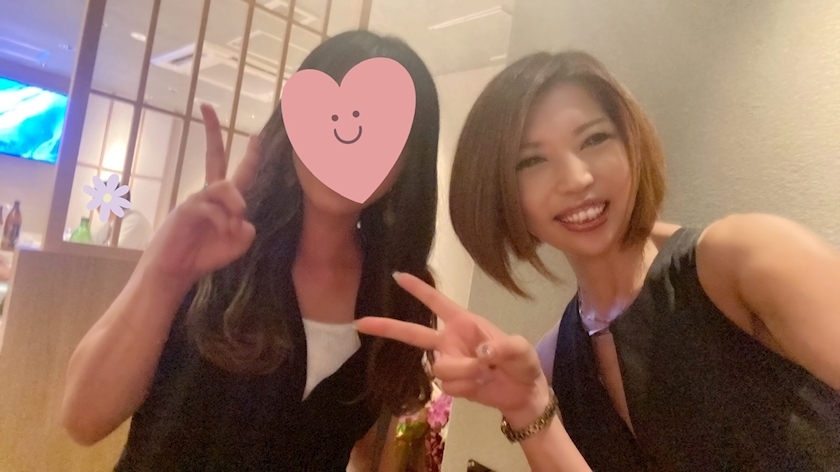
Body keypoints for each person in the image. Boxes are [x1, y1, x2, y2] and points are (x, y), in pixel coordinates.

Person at [357, 51, 840, 471]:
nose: (575, 178)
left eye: (594, 139)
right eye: (532, 161)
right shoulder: (553, 359)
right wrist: (527, 407)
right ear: (504, 195)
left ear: (631, 145)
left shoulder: (745, 259)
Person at [60, 30, 441, 471]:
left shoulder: (399, 295)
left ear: (408, 161)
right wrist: (166, 274)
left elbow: (361, 443)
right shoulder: (212, 244)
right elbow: (83, 420)